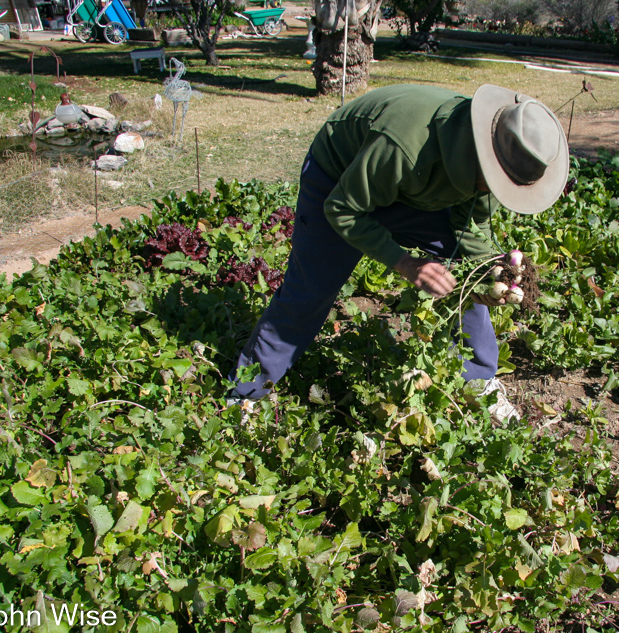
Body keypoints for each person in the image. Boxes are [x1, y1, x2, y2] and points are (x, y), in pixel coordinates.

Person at [228, 83, 568, 421]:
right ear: (483, 155)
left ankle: (478, 378)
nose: (499, 188)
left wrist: (485, 273)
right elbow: (343, 209)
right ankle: (245, 394)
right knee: (310, 289)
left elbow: (470, 227)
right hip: (340, 180)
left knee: (464, 270)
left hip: (411, 189)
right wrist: (405, 263)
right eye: (498, 181)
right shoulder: (404, 145)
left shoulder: (496, 158)